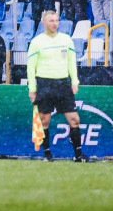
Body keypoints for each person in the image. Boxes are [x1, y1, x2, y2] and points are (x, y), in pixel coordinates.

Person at [27, 11, 84, 162]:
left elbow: (72, 62)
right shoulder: (36, 42)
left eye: (57, 20)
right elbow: (30, 67)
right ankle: (47, 155)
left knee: (74, 119)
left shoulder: (66, 40)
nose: (54, 23)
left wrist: (74, 81)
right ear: (44, 23)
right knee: (44, 120)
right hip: (44, 84)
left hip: (63, 84)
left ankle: (78, 156)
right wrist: (32, 88)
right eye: (51, 21)